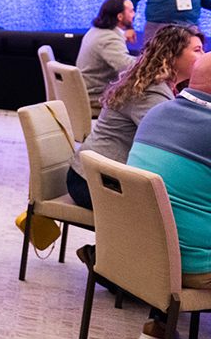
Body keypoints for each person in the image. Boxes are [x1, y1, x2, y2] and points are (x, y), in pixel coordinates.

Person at [123, 52, 211, 339]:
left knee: (182, 204)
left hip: (145, 253)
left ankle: (159, 323)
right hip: (194, 266)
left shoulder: (157, 113)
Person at [66, 24, 204, 210]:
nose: (204, 55)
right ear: (172, 55)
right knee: (176, 209)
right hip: (90, 183)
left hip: (93, 174)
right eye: (197, 50)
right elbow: (168, 146)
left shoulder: (158, 83)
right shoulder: (151, 91)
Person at [76, 0, 137, 107]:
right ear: (120, 16)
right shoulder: (109, 38)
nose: (134, 14)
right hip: (96, 98)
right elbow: (128, 67)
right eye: (131, 11)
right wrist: (153, 61)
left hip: (87, 92)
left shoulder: (96, 31)